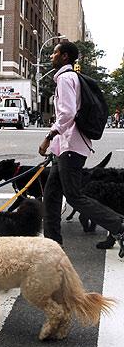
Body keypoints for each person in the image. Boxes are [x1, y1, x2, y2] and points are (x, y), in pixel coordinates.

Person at [39, 41, 124, 255]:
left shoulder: (66, 79)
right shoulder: (68, 78)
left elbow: (66, 114)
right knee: (50, 196)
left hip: (72, 147)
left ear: (65, 57)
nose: (52, 56)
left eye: (55, 53)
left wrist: (49, 136)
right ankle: (53, 245)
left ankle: (119, 226)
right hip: (65, 148)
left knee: (74, 196)